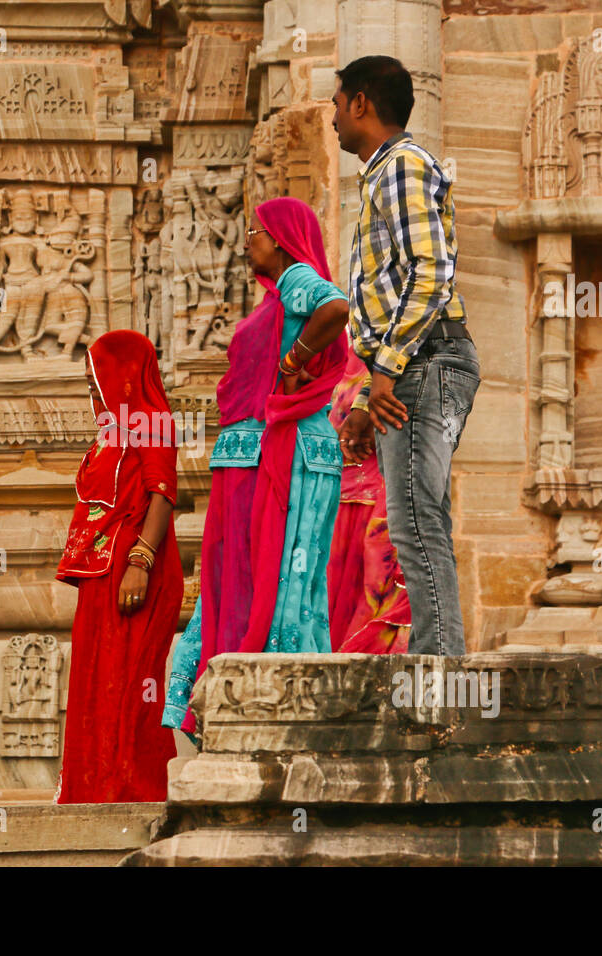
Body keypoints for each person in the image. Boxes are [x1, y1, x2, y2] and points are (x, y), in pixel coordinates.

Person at [161, 196, 351, 740]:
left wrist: (294, 361)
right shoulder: (276, 298)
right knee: (243, 570)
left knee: (282, 571)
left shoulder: (297, 279)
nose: (249, 240)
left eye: (257, 231)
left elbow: (337, 308)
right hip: (258, 454)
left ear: (283, 239)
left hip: (285, 452)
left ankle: (277, 704)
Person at [331, 55, 481, 657]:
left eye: (338, 104)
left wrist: (387, 371)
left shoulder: (402, 168)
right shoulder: (385, 173)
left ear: (362, 102)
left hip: (426, 360)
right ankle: (436, 661)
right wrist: (373, 391)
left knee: (415, 522)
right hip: (414, 365)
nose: (334, 118)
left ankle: (440, 671)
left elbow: (430, 274)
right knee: (420, 519)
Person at [56, 330, 182, 803]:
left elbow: (162, 492)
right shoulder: (110, 435)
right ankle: (93, 789)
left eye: (97, 382)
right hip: (100, 577)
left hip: (136, 571)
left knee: (133, 687)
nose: (92, 393)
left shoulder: (153, 421)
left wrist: (141, 561)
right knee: (96, 683)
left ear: (125, 376)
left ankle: (135, 790)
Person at [326, 351, 412, 653]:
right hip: (334, 504)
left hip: (379, 503)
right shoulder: (337, 353)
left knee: (379, 598)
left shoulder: (396, 354)